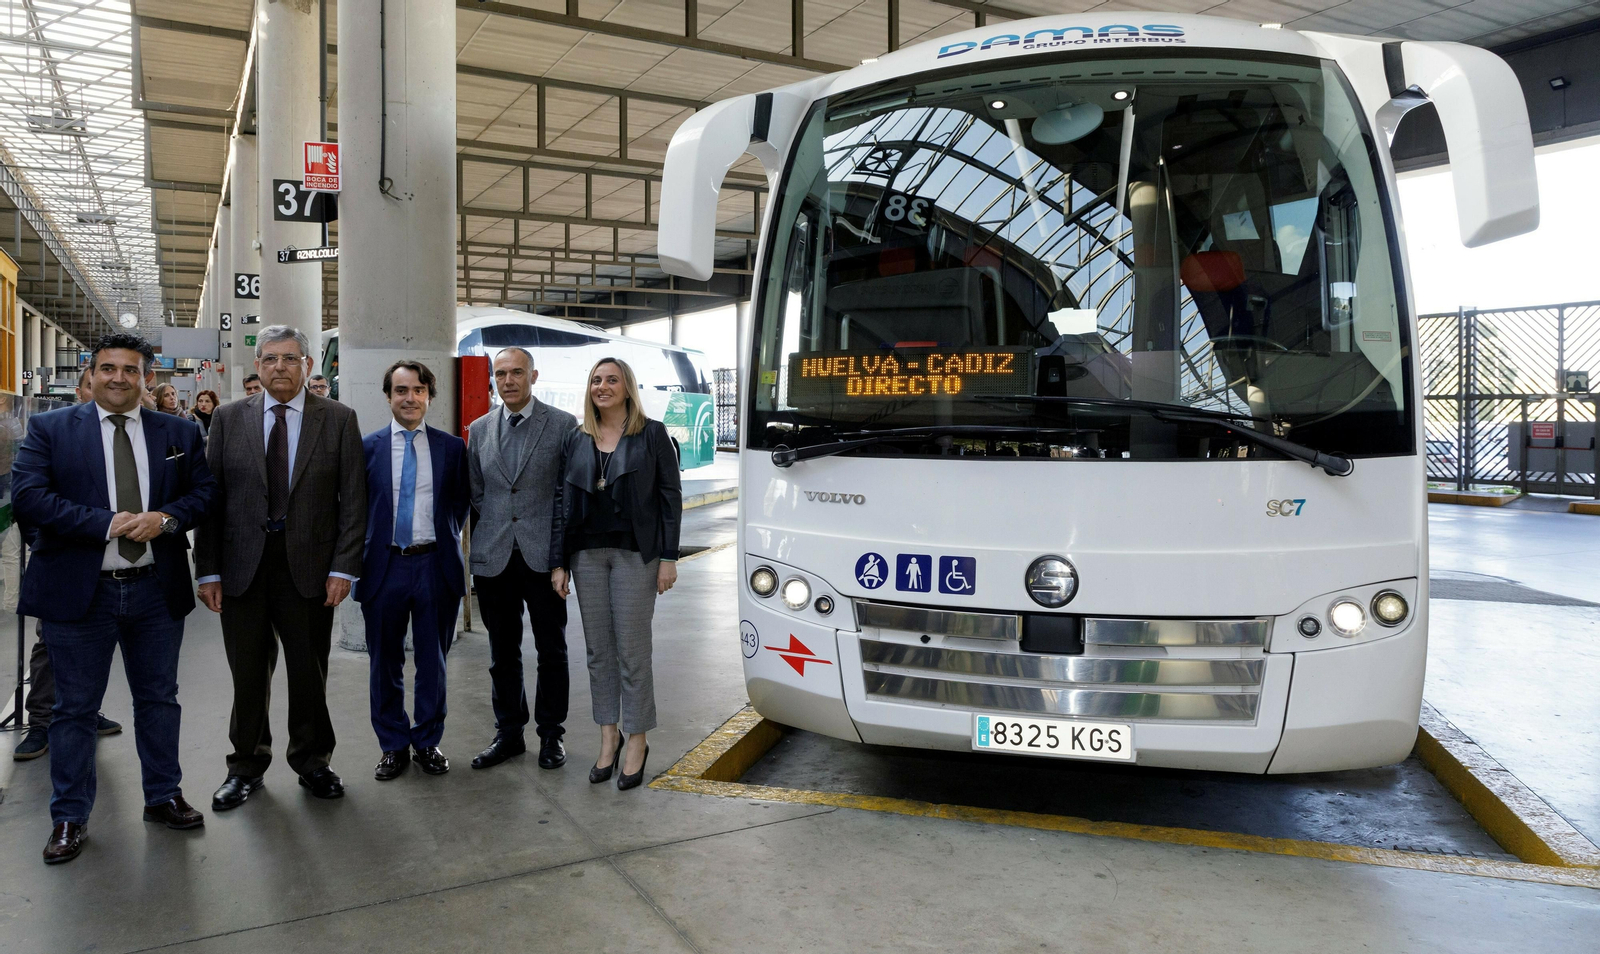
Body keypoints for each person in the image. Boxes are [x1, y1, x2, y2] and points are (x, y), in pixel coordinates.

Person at [11, 332, 217, 864]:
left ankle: (164, 796)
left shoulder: (177, 431)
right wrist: (105, 524)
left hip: (155, 591)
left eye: (130, 369)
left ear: (147, 377)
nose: (119, 378)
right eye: (108, 368)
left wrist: (166, 519)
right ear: (92, 373)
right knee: (74, 709)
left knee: (159, 700)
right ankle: (69, 816)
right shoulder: (51, 429)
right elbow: (30, 497)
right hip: (79, 595)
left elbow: (204, 494)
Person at [195, 325, 366, 809]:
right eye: (270, 359)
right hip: (242, 567)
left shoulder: (338, 419)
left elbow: (354, 502)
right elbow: (211, 500)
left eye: (290, 359)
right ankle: (246, 766)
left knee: (309, 673)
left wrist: (344, 568)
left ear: (307, 365)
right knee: (248, 674)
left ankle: (313, 761)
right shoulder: (228, 418)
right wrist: (208, 570)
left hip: (310, 568)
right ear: (258, 366)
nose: (280, 368)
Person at [549, 357, 682, 791]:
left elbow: (670, 499)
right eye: (596, 380)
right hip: (586, 556)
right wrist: (559, 561)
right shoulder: (576, 438)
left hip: (635, 556)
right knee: (598, 652)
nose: (602, 386)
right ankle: (609, 736)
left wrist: (668, 557)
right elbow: (561, 502)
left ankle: (637, 739)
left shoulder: (652, 434)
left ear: (628, 388)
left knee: (632, 652)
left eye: (612, 380)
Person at [356, 361, 469, 779]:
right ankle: (392, 744)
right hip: (384, 566)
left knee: (433, 661)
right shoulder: (367, 448)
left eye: (418, 390)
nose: (410, 398)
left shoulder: (451, 448)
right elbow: (357, 508)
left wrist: (441, 538)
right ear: (388, 396)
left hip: (435, 566)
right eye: (401, 390)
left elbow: (459, 503)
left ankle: (427, 741)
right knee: (383, 662)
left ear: (429, 397)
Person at [466, 347, 577, 771]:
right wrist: (500, 526)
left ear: (533, 376)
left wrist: (561, 558)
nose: (508, 381)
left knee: (552, 650)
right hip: (494, 557)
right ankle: (509, 733)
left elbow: (567, 495)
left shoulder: (562, 425)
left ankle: (551, 734)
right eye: (500, 373)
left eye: (516, 372)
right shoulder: (480, 429)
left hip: (543, 558)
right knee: (502, 653)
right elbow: (478, 492)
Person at [12, 369, 124, 762]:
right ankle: (41, 722)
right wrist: (45, 545)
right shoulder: (52, 432)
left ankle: (88, 711)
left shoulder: (123, 436)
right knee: (50, 648)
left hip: (113, 569)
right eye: (96, 383)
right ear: (82, 390)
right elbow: (29, 500)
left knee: (97, 652)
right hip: (64, 566)